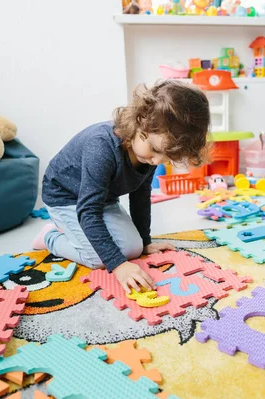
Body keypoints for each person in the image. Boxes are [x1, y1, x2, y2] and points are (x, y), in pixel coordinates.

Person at [32, 80, 211, 293]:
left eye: (167, 156)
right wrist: (118, 266)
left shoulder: (149, 156)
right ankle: (50, 237)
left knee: (133, 249)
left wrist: (145, 242)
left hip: (102, 197)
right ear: (141, 123)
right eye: (154, 149)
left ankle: (96, 240)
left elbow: (141, 196)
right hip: (66, 197)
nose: (156, 161)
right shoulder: (101, 147)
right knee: (99, 259)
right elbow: (88, 210)